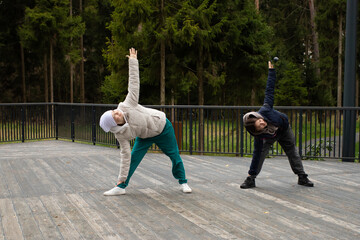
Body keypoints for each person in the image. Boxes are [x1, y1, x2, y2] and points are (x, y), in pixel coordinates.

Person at [99, 48, 192, 195]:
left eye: (113, 111)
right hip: (144, 137)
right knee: (133, 158)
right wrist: (121, 177)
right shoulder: (120, 135)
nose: (116, 112)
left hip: (162, 127)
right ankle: (121, 187)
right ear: (115, 125)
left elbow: (134, 84)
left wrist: (133, 61)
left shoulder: (127, 104)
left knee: (174, 155)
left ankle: (183, 182)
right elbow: (125, 156)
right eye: (114, 116)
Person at [240, 60, 314, 189]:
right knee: (260, 154)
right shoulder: (259, 137)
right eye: (260, 126)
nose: (263, 123)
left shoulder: (266, 109)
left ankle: (302, 177)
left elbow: (269, 90)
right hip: (269, 138)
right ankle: (251, 179)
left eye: (261, 121)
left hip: (284, 130)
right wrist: (250, 175)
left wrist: (271, 71)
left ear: (259, 116)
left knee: (292, 151)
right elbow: (256, 155)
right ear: (257, 131)